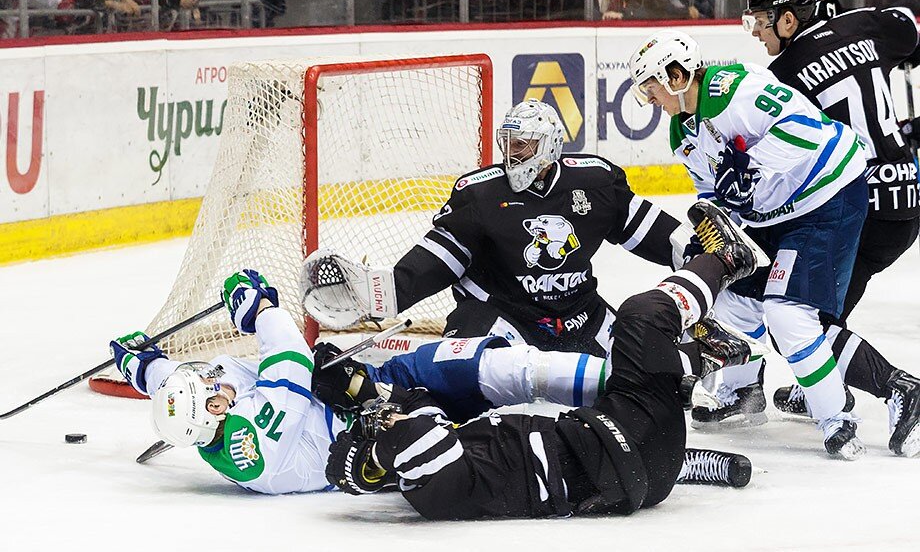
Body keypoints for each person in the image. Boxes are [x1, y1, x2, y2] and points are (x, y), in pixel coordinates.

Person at [110, 266, 757, 494]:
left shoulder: (212, 428)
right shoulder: (257, 437)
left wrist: (149, 368)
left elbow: (202, 388)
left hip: (371, 395)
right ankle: (649, 402)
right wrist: (259, 309)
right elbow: (285, 358)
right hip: (384, 431)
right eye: (215, 398)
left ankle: (631, 383)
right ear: (217, 421)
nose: (219, 387)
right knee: (521, 422)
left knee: (499, 365)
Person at [322, 200, 764, 518]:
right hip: (618, 445)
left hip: (647, 475)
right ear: (384, 462)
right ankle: (724, 262)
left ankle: (697, 378)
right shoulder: (432, 486)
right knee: (640, 318)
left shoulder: (436, 471)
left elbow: (420, 411)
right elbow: (418, 430)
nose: (387, 422)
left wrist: (369, 391)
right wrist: (376, 440)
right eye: (381, 434)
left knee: (610, 387)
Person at [301, 99, 701, 361]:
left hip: (579, 314)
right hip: (503, 316)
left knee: (653, 369)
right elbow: (442, 255)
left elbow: (641, 225)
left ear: (548, 147)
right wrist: (388, 292)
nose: (512, 154)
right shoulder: (481, 194)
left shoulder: (594, 180)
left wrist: (696, 253)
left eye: (523, 146)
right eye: (508, 144)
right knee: (462, 376)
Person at [629, 29, 870, 459]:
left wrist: (753, 169)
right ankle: (745, 389)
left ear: (677, 75)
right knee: (713, 293)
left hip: (824, 194)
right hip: (777, 211)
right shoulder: (681, 133)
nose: (651, 101)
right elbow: (713, 192)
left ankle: (837, 418)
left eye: (652, 88)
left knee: (787, 313)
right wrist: (714, 231)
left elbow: (805, 130)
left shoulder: (734, 90)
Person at [718, 0, 920, 458]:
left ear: (790, 19)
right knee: (807, 309)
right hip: (906, 195)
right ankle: (821, 384)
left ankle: (900, 388)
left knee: (795, 312)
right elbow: (908, 30)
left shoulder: (782, 76)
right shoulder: (869, 24)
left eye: (764, 22)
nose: (758, 32)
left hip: (854, 203)